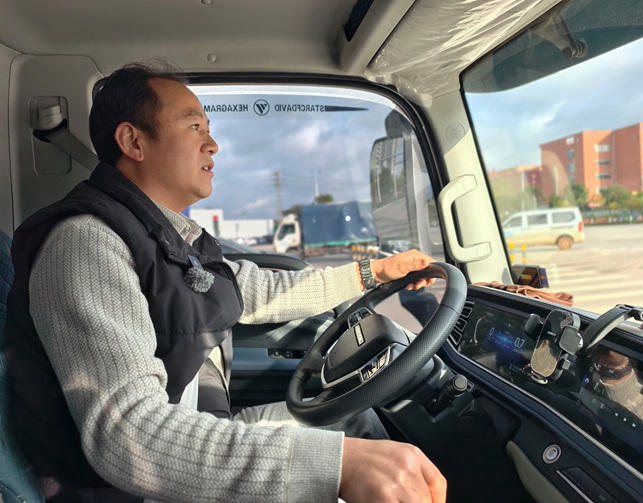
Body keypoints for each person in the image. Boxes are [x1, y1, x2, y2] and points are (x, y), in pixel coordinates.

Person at [4, 63, 447, 503]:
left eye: (209, 128)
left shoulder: (168, 239)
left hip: (194, 429)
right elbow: (130, 435)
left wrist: (375, 273)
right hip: (128, 490)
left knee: (354, 425)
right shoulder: (87, 244)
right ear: (133, 141)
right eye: (194, 126)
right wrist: (334, 466)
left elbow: (264, 292)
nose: (212, 144)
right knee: (352, 452)